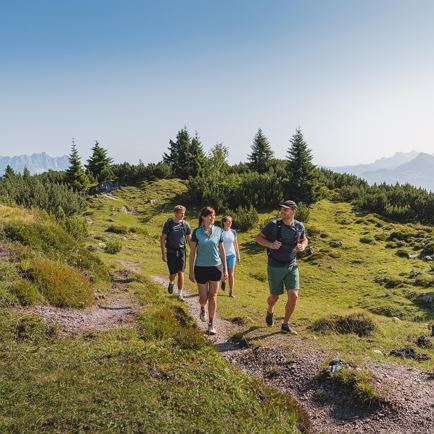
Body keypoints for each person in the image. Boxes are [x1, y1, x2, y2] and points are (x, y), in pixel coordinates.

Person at [255, 200, 308, 334]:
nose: (282, 212)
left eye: (286, 209)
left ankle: (285, 324)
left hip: (292, 265)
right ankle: (269, 310)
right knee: (274, 297)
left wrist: (303, 246)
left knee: (294, 295)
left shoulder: (299, 226)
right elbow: (258, 238)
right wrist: (271, 245)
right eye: (282, 209)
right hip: (275, 266)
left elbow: (304, 239)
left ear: (293, 211)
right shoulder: (273, 225)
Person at [189, 207, 228, 335]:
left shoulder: (219, 231)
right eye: (210, 215)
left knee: (213, 296)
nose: (213, 218)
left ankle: (211, 324)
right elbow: (192, 252)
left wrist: (225, 270)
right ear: (203, 217)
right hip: (200, 267)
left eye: (214, 215)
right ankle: (202, 308)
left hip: (216, 267)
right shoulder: (196, 232)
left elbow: (222, 251)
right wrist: (190, 271)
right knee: (203, 297)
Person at [160, 205, 192, 299]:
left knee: (181, 272)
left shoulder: (186, 224)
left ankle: (180, 294)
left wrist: (194, 251)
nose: (183, 215)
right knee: (173, 274)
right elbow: (162, 239)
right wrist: (163, 254)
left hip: (181, 251)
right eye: (181, 213)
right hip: (171, 251)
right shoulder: (169, 224)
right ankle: (171, 282)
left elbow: (189, 240)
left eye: (183, 213)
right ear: (175, 213)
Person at [221, 215, 241, 297]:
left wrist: (238, 255)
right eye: (228, 221)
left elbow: (235, 244)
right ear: (224, 222)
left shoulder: (233, 232)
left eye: (231, 221)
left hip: (232, 255)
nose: (230, 223)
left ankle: (231, 291)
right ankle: (222, 281)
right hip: (222, 255)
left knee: (231, 273)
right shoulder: (220, 232)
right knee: (223, 273)